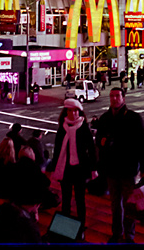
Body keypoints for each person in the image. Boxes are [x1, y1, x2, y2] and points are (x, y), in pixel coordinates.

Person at [95, 87, 144, 243]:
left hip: (128, 169)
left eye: (117, 96)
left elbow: (142, 145)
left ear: (123, 98)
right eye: (112, 96)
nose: (114, 99)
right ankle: (117, 233)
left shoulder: (134, 118)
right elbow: (98, 140)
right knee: (115, 205)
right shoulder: (105, 118)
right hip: (111, 169)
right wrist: (102, 142)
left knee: (129, 205)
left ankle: (129, 236)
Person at [47, 98, 96, 233]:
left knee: (80, 199)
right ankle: (66, 228)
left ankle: (81, 226)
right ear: (65, 112)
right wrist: (53, 167)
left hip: (80, 169)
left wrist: (93, 169)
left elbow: (91, 149)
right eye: (69, 110)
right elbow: (57, 149)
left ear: (79, 112)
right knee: (66, 198)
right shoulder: (62, 128)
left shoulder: (84, 127)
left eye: (75, 111)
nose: (72, 114)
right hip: (66, 169)